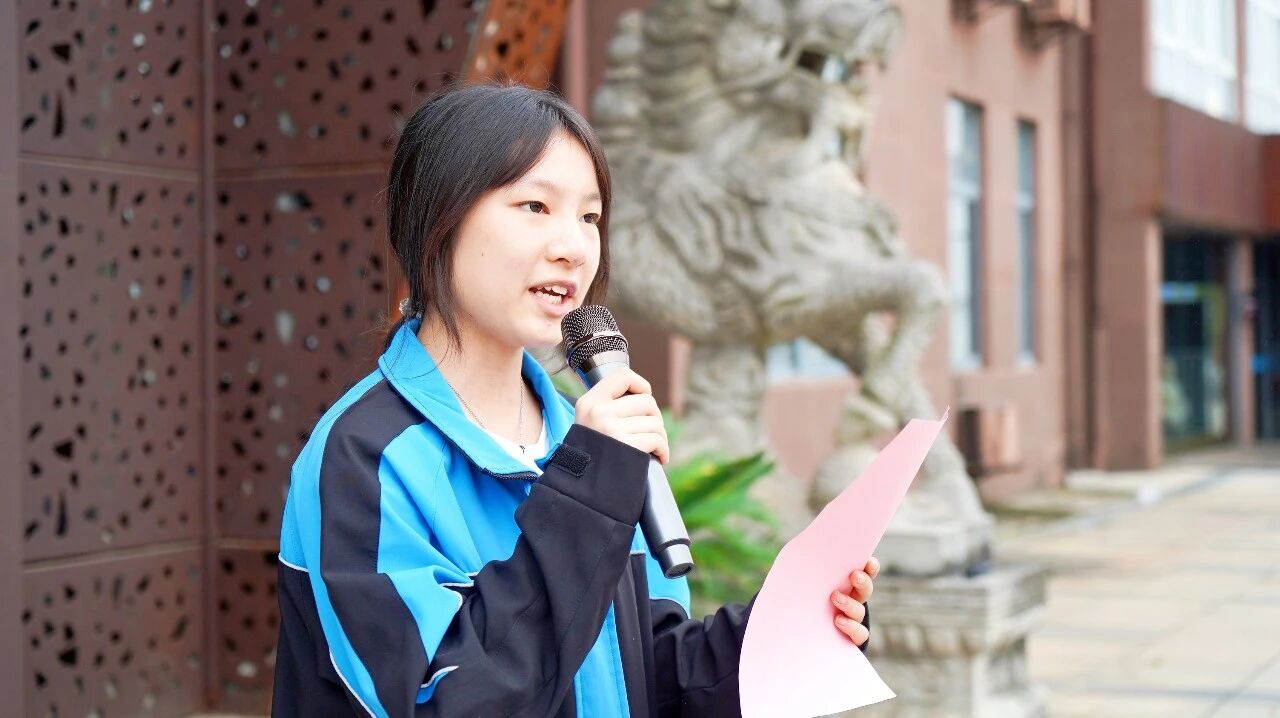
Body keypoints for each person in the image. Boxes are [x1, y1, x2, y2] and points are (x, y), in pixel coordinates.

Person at [271, 82, 878, 718]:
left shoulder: (584, 436)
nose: (573, 247)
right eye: (535, 206)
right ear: (438, 221)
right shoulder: (366, 458)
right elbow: (445, 699)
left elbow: (648, 677)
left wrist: (794, 627)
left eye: (589, 217)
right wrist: (587, 495)